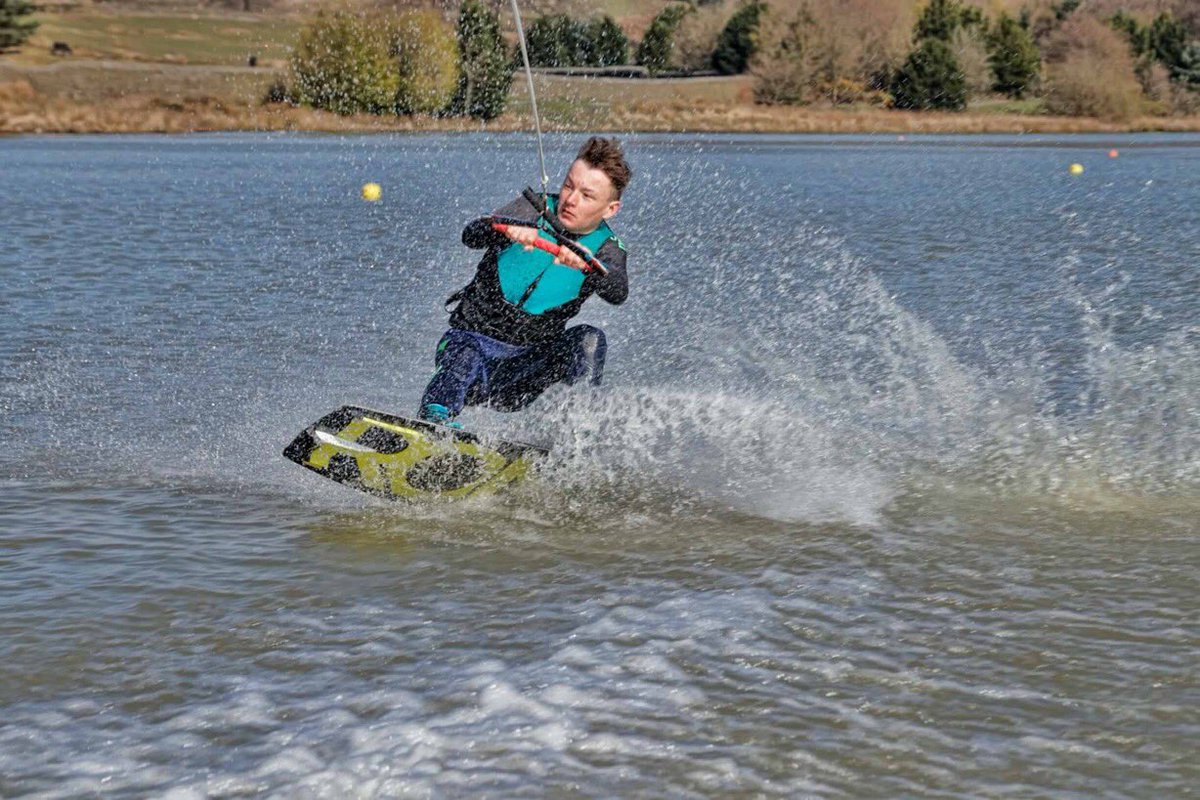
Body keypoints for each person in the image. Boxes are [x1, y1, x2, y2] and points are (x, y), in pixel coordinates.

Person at [418, 137, 632, 426]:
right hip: (470, 355)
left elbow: (617, 292)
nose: (570, 200)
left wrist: (588, 266)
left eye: (587, 195)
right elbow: (470, 235)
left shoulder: (608, 247)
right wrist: (506, 229)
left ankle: (576, 441)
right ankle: (434, 420)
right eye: (569, 185)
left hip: (524, 372)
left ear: (610, 209)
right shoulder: (533, 208)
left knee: (590, 339)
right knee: (466, 351)